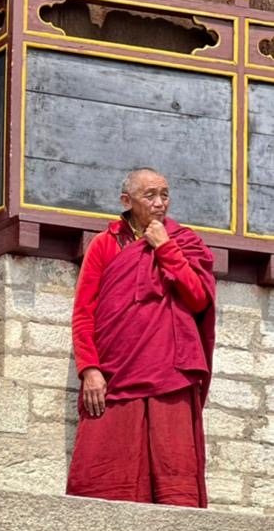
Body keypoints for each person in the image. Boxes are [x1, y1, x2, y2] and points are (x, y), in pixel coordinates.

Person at [67, 167, 215, 507]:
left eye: (165, 195)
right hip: (115, 374)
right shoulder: (105, 245)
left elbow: (197, 298)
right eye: (150, 196)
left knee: (173, 464)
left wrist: (165, 248)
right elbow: (84, 312)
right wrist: (89, 369)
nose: (160, 203)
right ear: (127, 200)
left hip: (170, 372)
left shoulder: (184, 241)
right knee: (103, 471)